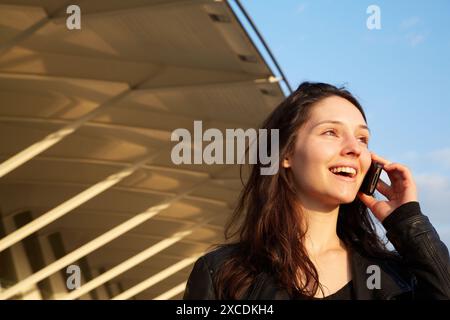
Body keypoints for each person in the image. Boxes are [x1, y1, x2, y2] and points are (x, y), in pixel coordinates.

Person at [183, 82, 450, 300]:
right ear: (285, 152)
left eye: (362, 138)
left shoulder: (395, 275)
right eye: (331, 132)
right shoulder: (223, 273)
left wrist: (409, 221)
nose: (355, 148)